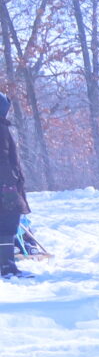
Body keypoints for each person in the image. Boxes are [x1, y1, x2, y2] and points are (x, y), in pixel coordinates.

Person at [0, 89, 28, 277]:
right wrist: (9, 182)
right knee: (8, 223)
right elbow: (2, 157)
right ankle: (6, 266)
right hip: (4, 186)